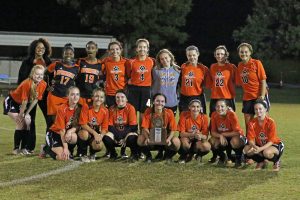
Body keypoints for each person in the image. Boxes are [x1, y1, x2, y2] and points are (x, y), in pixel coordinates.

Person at [17, 38, 52, 152]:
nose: (40, 50)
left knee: (50, 119)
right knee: (30, 120)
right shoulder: (27, 61)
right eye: (38, 47)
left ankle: (49, 144)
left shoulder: (48, 62)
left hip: (44, 94)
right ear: (34, 49)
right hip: (30, 95)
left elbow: (52, 77)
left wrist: (51, 86)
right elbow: (21, 78)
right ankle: (29, 147)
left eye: (43, 48)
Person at [4, 65, 47, 155]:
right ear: (32, 74)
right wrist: (21, 115)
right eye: (37, 74)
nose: (39, 76)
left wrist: (26, 113)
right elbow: (25, 100)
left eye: (41, 74)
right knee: (20, 122)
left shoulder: (43, 84)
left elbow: (35, 100)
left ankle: (24, 148)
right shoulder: (27, 83)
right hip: (12, 102)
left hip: (23, 105)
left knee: (28, 121)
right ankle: (16, 149)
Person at [208, 45, 237, 163]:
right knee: (214, 127)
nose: (220, 56)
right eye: (217, 54)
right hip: (215, 99)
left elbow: (239, 80)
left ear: (226, 55)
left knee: (229, 126)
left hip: (227, 99)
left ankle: (230, 155)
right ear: (215, 55)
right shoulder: (212, 67)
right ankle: (217, 155)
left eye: (222, 54)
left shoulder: (231, 67)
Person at [236, 43, 270, 131]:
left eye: (246, 52)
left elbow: (263, 80)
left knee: (264, 121)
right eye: (241, 52)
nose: (244, 54)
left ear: (250, 52)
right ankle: (250, 142)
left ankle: (266, 141)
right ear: (239, 53)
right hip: (247, 97)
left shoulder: (256, 63)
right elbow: (240, 82)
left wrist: (262, 96)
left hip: (259, 96)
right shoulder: (239, 66)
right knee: (249, 124)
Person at [137, 93, 180, 163]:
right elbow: (145, 128)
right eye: (157, 101)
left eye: (162, 101)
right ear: (153, 102)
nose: (160, 103)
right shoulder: (148, 111)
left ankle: (167, 156)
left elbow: (173, 129)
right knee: (140, 139)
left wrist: (168, 139)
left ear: (165, 103)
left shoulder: (169, 112)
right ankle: (148, 156)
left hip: (165, 139)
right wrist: (148, 138)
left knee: (176, 142)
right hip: (152, 138)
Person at [243, 100, 284, 171]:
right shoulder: (252, 123)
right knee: (247, 150)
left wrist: (260, 149)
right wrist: (254, 146)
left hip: (275, 145)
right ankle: (261, 162)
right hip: (260, 145)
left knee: (266, 152)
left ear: (265, 109)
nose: (258, 111)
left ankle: (276, 161)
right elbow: (251, 139)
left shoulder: (271, 122)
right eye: (256, 109)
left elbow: (271, 141)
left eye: (260, 109)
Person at [42, 86, 81, 160]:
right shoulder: (62, 108)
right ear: (67, 96)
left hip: (66, 135)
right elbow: (62, 130)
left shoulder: (80, 108)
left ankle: (70, 151)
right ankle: (46, 148)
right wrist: (65, 148)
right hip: (55, 134)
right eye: (72, 94)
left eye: (77, 94)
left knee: (74, 137)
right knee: (63, 157)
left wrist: (70, 131)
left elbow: (78, 125)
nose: (75, 97)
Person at [46, 43, 79, 127]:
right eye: (66, 53)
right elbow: (45, 75)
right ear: (63, 54)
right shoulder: (56, 64)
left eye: (70, 53)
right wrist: (48, 86)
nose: (68, 55)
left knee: (66, 122)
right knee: (54, 123)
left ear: (73, 55)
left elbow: (79, 82)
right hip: (54, 96)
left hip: (67, 98)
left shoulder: (77, 68)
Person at [102, 90, 139, 161]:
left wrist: (123, 137)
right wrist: (118, 137)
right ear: (115, 99)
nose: (120, 99)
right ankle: (113, 154)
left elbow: (133, 127)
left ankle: (134, 154)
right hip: (116, 135)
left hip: (127, 135)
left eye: (122, 97)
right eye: (117, 97)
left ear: (126, 99)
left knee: (133, 137)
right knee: (106, 137)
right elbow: (110, 126)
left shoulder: (131, 108)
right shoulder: (111, 109)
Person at [126, 38, 155, 131]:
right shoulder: (131, 62)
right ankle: (133, 132)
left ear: (147, 49)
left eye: (144, 47)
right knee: (132, 112)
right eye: (140, 47)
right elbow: (127, 75)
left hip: (147, 90)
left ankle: (143, 133)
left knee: (145, 112)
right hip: (133, 90)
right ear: (137, 49)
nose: (142, 49)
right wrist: (128, 81)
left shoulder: (152, 61)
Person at [209, 99, 246, 167]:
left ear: (227, 108)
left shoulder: (231, 114)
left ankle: (238, 160)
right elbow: (213, 132)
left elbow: (237, 132)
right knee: (212, 141)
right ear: (215, 107)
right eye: (218, 106)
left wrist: (223, 134)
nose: (220, 109)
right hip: (224, 138)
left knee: (235, 141)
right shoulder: (214, 115)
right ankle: (223, 157)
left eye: (222, 106)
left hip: (236, 137)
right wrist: (220, 136)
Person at [77, 88, 108, 162]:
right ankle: (83, 153)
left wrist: (101, 136)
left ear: (104, 99)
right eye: (96, 96)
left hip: (95, 133)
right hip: (86, 131)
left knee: (99, 146)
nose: (99, 99)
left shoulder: (105, 110)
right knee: (84, 134)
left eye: (101, 97)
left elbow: (105, 127)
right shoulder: (86, 106)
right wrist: (95, 134)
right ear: (92, 97)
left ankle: (92, 153)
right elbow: (83, 124)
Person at [177, 99, 211, 164]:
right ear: (189, 107)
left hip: (197, 140)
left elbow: (205, 136)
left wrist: (200, 136)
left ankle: (198, 156)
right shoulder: (184, 115)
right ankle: (184, 156)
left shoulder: (204, 117)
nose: (195, 109)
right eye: (193, 106)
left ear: (201, 108)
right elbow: (181, 134)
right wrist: (193, 134)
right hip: (187, 138)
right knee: (184, 142)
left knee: (207, 146)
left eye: (198, 107)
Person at [179, 45, 209, 114]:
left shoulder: (203, 69)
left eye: (194, 55)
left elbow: (207, 84)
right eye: (189, 55)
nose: (192, 57)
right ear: (186, 56)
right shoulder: (183, 67)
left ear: (198, 54)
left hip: (198, 97)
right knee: (184, 119)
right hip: (184, 98)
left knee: (200, 118)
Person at [152, 49, 180, 116]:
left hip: (172, 102)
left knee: (171, 124)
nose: (164, 60)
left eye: (166, 58)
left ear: (170, 57)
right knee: (159, 124)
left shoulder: (178, 70)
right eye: (162, 59)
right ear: (159, 61)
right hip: (159, 103)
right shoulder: (155, 70)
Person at [76, 41, 103, 107]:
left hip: (94, 96)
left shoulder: (101, 64)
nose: (90, 50)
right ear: (86, 49)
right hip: (81, 95)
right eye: (88, 48)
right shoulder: (80, 61)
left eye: (92, 48)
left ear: (96, 49)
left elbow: (103, 80)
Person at [102, 41, 128, 108]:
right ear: (109, 51)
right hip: (110, 93)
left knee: (121, 115)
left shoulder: (126, 62)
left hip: (122, 93)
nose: (115, 51)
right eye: (112, 49)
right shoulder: (105, 61)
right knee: (110, 115)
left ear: (121, 50)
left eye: (117, 49)